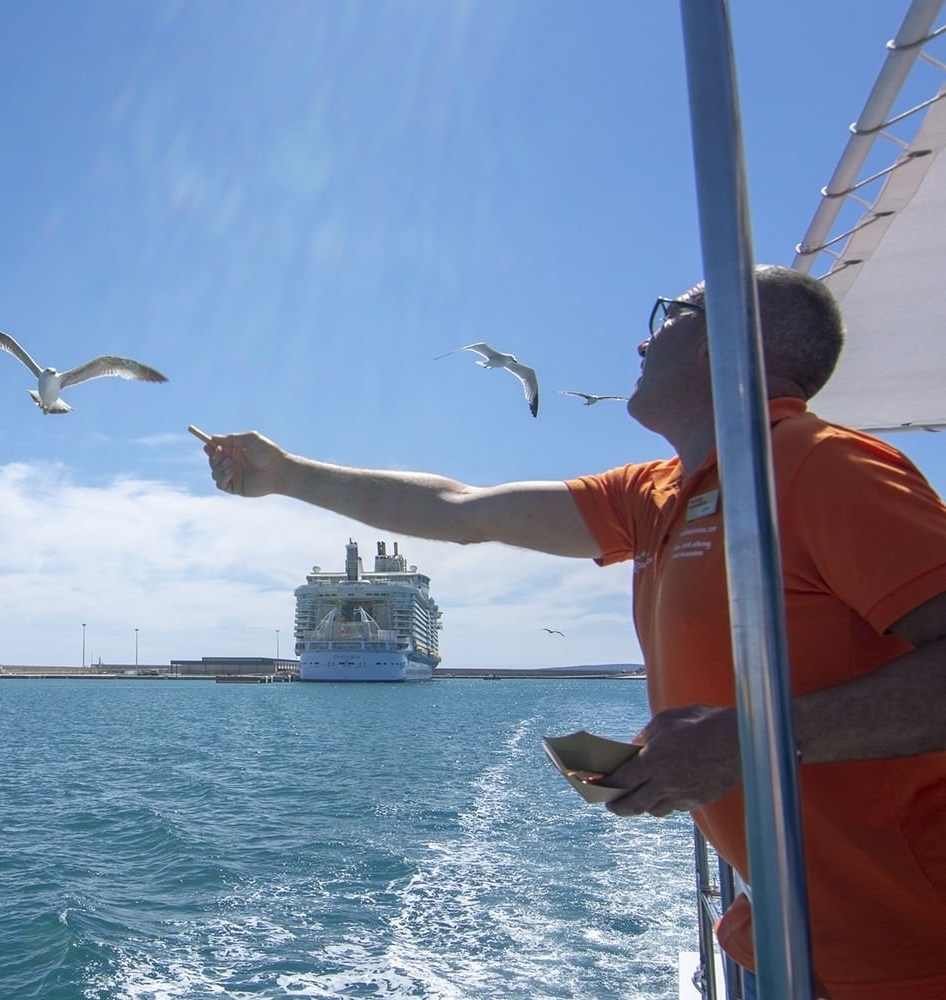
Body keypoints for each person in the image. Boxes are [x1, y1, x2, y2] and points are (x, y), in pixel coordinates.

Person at [200, 265, 946, 999]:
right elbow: (463, 510)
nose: (642, 342)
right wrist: (287, 474)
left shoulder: (823, 467)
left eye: (668, 316)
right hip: (782, 925)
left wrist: (750, 740)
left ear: (721, 342)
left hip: (907, 946)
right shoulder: (657, 493)